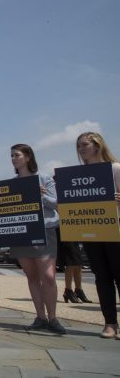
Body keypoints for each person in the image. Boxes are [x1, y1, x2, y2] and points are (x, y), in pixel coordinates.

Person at [8, 144, 65, 334]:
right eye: (12, 156)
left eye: (17, 155)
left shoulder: (44, 179)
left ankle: (53, 317)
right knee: (31, 276)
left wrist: (41, 196)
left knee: (48, 276)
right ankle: (40, 316)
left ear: (28, 157)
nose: (14, 158)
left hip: (44, 229)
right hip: (22, 232)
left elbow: (58, 203)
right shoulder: (12, 183)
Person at [75, 132, 120, 338]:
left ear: (97, 145)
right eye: (79, 146)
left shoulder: (115, 169)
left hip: (115, 229)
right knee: (102, 278)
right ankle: (109, 322)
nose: (82, 149)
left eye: (85, 144)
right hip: (92, 232)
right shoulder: (76, 176)